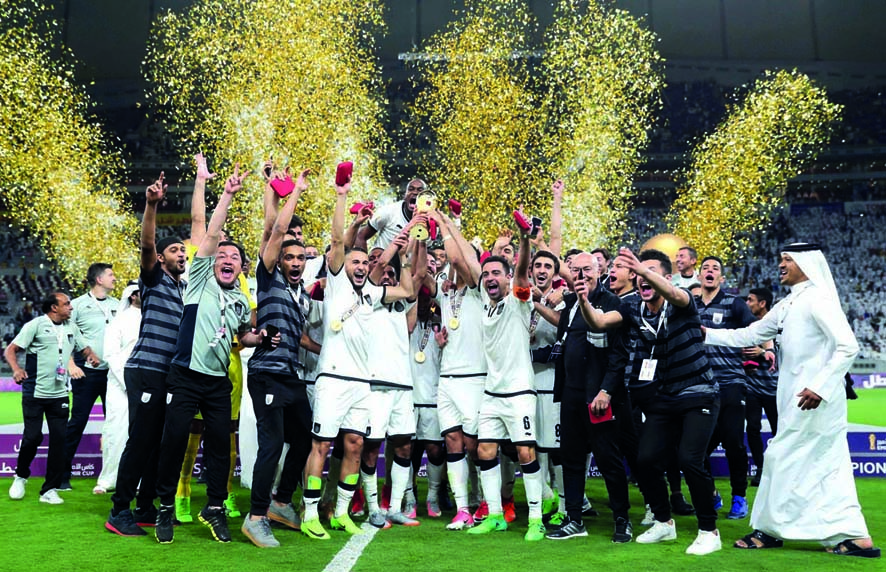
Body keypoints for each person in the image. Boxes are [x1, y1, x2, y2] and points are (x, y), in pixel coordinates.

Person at [704, 244, 880, 558]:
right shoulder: (791, 302)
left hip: (814, 401)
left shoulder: (818, 299)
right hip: (799, 399)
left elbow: (848, 346)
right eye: (781, 259)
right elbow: (750, 334)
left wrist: (820, 387)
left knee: (779, 456)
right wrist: (704, 333)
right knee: (827, 465)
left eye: (788, 260)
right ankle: (854, 536)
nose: (781, 264)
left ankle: (769, 531)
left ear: (806, 264)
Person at [152, 165, 269, 545]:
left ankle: (214, 506)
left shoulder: (238, 298)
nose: (228, 258)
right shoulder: (199, 280)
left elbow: (239, 336)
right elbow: (210, 229)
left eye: (235, 257)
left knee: (221, 447)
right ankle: (166, 505)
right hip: (186, 376)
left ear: (240, 267)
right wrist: (228, 195)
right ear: (211, 260)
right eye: (223, 254)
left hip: (219, 382)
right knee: (173, 441)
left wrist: (259, 338)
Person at [299, 173, 415, 540]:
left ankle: (342, 512)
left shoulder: (374, 295)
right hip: (332, 379)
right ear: (344, 265)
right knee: (321, 445)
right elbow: (337, 241)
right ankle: (309, 513)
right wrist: (341, 196)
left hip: (362, 383)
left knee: (355, 445)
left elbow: (410, 289)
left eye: (365, 263)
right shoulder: (335, 285)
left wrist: (408, 253)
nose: (361, 266)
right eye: (355, 262)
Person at [591, 248, 723, 555]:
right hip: (664, 397)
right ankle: (664, 522)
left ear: (666, 278)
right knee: (645, 460)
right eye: (636, 273)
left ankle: (709, 530)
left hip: (699, 392)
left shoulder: (683, 301)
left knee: (690, 459)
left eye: (647, 271)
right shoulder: (635, 308)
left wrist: (642, 269)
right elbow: (598, 323)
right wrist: (584, 300)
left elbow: (676, 296)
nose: (639, 277)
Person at [106, 173, 188, 537]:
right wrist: (151, 205)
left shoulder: (182, 289)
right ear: (160, 257)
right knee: (141, 440)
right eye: (174, 250)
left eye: (183, 251)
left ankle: (143, 506)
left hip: (165, 374)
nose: (181, 254)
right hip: (146, 369)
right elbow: (146, 245)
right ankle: (119, 511)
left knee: (156, 441)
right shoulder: (153, 279)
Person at [241, 168, 314, 548]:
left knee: (305, 437)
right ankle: (255, 518)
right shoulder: (268, 279)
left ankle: (281, 502)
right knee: (272, 444)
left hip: (291, 376)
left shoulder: (301, 294)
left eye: (302, 257)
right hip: (267, 373)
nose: (297, 262)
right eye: (290, 257)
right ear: (280, 261)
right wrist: (293, 193)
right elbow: (273, 232)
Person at [466, 221, 546, 542]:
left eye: (496, 273)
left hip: (519, 393)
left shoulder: (518, 299)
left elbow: (523, 271)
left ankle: (537, 520)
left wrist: (525, 238)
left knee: (526, 453)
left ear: (507, 276)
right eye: (486, 275)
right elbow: (469, 264)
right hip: (492, 393)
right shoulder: (487, 304)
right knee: (485, 451)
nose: (489, 278)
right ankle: (496, 516)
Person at [544, 253, 632, 542]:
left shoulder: (613, 303)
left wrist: (606, 390)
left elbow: (618, 355)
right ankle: (574, 519)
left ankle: (622, 519)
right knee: (570, 458)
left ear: (599, 271)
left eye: (587, 270)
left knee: (608, 459)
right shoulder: (568, 303)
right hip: (571, 393)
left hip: (598, 396)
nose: (581, 275)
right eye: (576, 270)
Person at [424, 208, 487, 531]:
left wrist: (447, 223)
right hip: (447, 379)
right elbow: (423, 274)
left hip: (475, 379)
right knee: (452, 442)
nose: (456, 263)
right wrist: (421, 230)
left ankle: (482, 499)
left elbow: (460, 258)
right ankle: (463, 508)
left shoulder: (480, 290)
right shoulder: (447, 293)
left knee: (476, 446)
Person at [5, 291, 98, 504]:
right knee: (33, 437)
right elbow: (11, 350)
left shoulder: (72, 328)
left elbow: (84, 348)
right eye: (66, 304)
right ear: (54, 308)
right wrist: (17, 369)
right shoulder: (35, 325)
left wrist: (90, 356)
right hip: (35, 392)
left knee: (59, 440)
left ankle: (49, 489)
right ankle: (20, 476)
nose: (71, 307)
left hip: (60, 393)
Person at [695, 256, 756, 520]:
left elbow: (755, 329)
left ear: (721, 278)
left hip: (730, 381)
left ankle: (739, 498)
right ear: (699, 276)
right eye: (706, 268)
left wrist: (763, 348)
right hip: (699, 385)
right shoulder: (690, 305)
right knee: (696, 448)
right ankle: (710, 493)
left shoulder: (734, 303)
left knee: (733, 443)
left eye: (715, 269)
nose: (710, 271)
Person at [61, 262, 118, 490]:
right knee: (77, 424)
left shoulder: (118, 306)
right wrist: (71, 364)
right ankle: (61, 476)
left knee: (116, 425)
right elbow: (64, 337)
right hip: (86, 375)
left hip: (113, 375)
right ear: (98, 279)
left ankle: (113, 477)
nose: (115, 278)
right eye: (111, 275)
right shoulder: (77, 306)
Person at [93, 281, 141, 495]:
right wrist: (128, 383)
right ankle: (108, 479)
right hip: (120, 385)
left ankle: (140, 480)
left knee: (145, 434)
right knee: (116, 431)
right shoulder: (119, 320)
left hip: (148, 385)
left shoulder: (155, 318)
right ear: (132, 296)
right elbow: (111, 355)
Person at [742, 287, 778, 486]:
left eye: (751, 300)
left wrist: (762, 353)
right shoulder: (749, 326)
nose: (747, 304)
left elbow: (784, 356)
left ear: (762, 303)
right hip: (753, 388)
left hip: (775, 387)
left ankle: (779, 469)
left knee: (778, 431)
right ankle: (761, 469)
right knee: (753, 428)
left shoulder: (778, 326)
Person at [355, 178, 424, 249]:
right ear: (404, 196)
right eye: (411, 189)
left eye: (420, 190)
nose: (415, 192)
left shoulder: (431, 222)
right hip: (382, 258)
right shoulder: (388, 212)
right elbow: (360, 236)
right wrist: (363, 259)